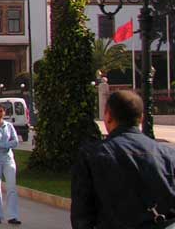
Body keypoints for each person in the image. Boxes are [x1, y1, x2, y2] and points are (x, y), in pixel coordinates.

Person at [72, 90, 175, 228]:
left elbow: (82, 216)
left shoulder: (91, 156)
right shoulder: (168, 155)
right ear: (141, 118)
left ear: (108, 116)